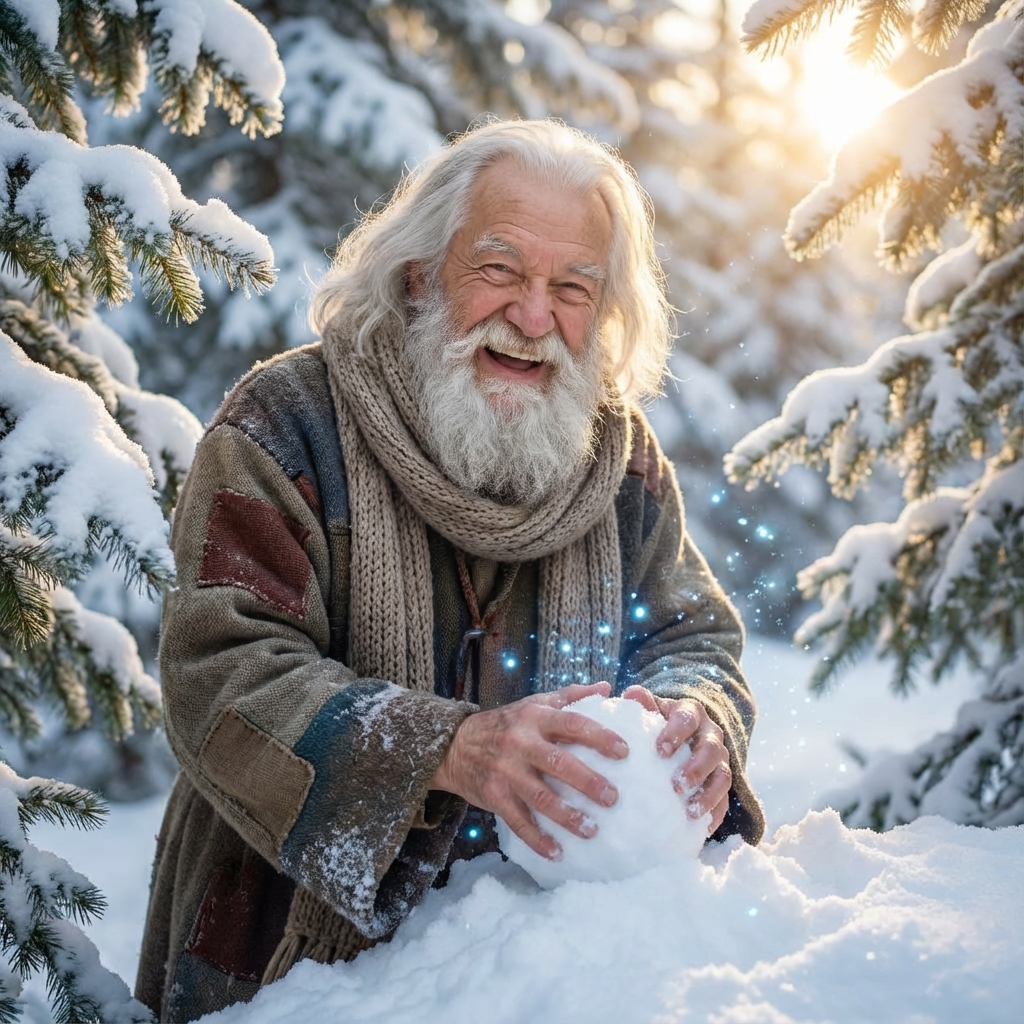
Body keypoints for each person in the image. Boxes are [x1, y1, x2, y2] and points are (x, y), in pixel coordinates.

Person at [136, 119, 765, 1022]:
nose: (535, 317)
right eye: (501, 271)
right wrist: (446, 749)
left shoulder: (620, 463)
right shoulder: (287, 424)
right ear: (420, 272)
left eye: (573, 287)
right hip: (281, 960)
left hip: (543, 977)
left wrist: (700, 721)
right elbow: (218, 671)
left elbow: (690, 635)